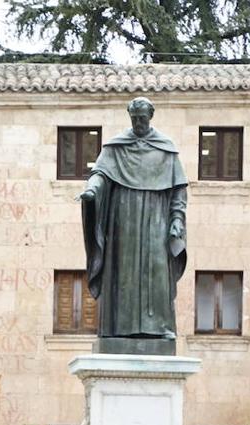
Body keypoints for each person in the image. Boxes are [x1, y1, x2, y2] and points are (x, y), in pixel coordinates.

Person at [78, 96, 187, 345]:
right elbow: (100, 174)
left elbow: (179, 190)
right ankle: (118, 328)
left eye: (142, 118)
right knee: (123, 274)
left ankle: (160, 327)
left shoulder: (166, 148)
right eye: (134, 117)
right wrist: (91, 191)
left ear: (151, 116)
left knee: (157, 271)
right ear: (130, 116)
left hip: (156, 219)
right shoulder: (116, 147)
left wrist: (177, 219)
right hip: (123, 219)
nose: (138, 122)